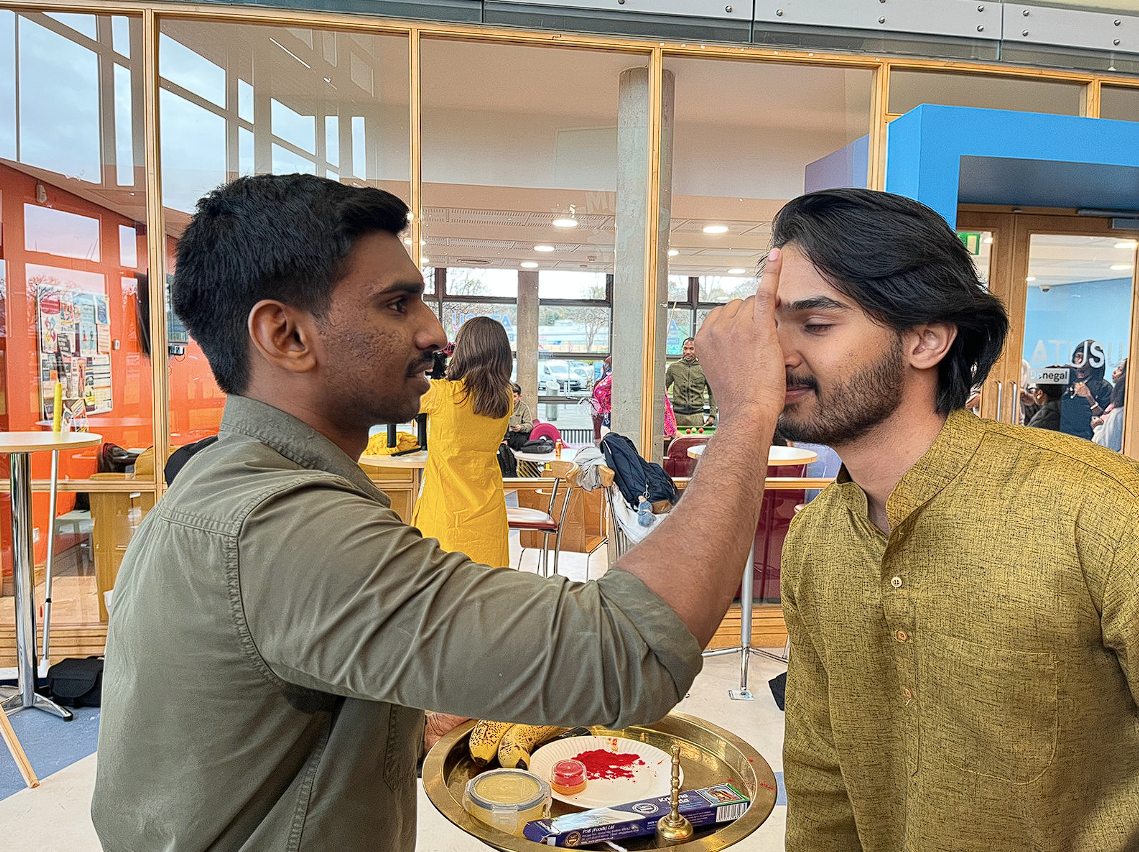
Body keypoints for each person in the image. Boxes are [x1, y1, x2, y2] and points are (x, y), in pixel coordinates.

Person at [91, 173, 789, 851]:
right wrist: (747, 412)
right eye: (397, 305)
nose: (434, 332)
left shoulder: (224, 484)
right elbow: (627, 652)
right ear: (285, 335)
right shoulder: (284, 528)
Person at [772, 188, 1139, 852]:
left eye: (815, 324)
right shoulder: (814, 540)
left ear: (926, 339)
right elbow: (821, 778)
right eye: (770, 324)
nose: (777, 354)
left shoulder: (1101, 509)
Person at [412, 316, 512, 568]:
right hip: (488, 511)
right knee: (487, 582)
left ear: (465, 351)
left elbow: (394, 396)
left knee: (444, 583)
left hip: (446, 511)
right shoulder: (506, 397)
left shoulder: (442, 394)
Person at [1061, 338, 1113, 439]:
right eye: (1078, 356)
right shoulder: (1065, 380)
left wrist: (1089, 398)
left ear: (1095, 361)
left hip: (1087, 439)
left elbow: (1106, 420)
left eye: (1084, 358)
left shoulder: (1104, 387)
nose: (1080, 361)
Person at [665, 337, 716, 428]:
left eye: (691, 349)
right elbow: (663, 389)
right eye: (685, 348)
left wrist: (712, 415)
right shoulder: (673, 368)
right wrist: (665, 412)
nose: (687, 352)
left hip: (697, 416)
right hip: (677, 416)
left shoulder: (706, 368)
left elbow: (712, 393)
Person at [1093, 357, 1128, 452]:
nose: (1114, 372)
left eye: (1120, 369)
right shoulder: (1116, 407)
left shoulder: (1119, 412)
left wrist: (1097, 427)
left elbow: (1105, 446)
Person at [505, 381, 533, 450]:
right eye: (510, 396)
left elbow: (529, 425)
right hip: (504, 434)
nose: (512, 399)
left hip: (517, 434)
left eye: (514, 396)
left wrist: (521, 427)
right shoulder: (503, 406)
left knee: (521, 440)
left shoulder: (524, 407)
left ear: (520, 396)